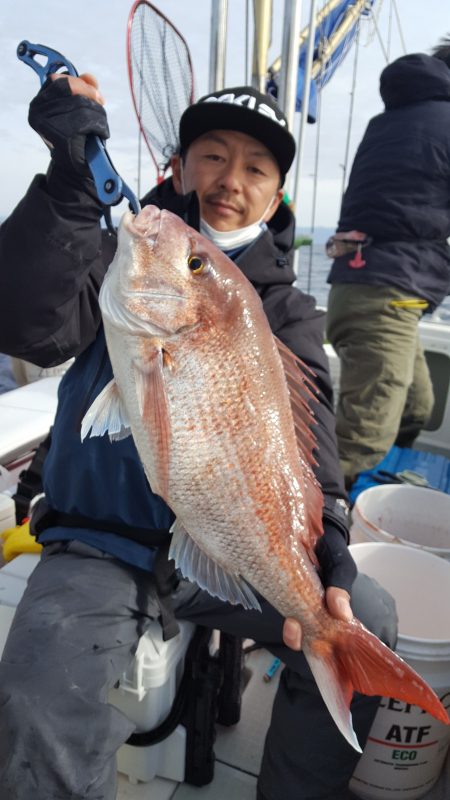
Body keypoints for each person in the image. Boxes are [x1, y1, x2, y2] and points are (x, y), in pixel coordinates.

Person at [0, 74, 397, 800]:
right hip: (98, 538)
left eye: (256, 167)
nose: (230, 180)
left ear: (277, 195)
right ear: (180, 168)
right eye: (212, 155)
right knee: (34, 707)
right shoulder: (117, 256)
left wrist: (331, 536)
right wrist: (67, 188)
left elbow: (312, 443)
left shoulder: (291, 313)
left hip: (224, 548)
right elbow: (24, 323)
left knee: (365, 615)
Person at [326, 38, 450, 490]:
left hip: (365, 286)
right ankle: (323, 517)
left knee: (417, 406)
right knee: (360, 440)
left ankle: (380, 487)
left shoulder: (389, 121)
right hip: (386, 294)